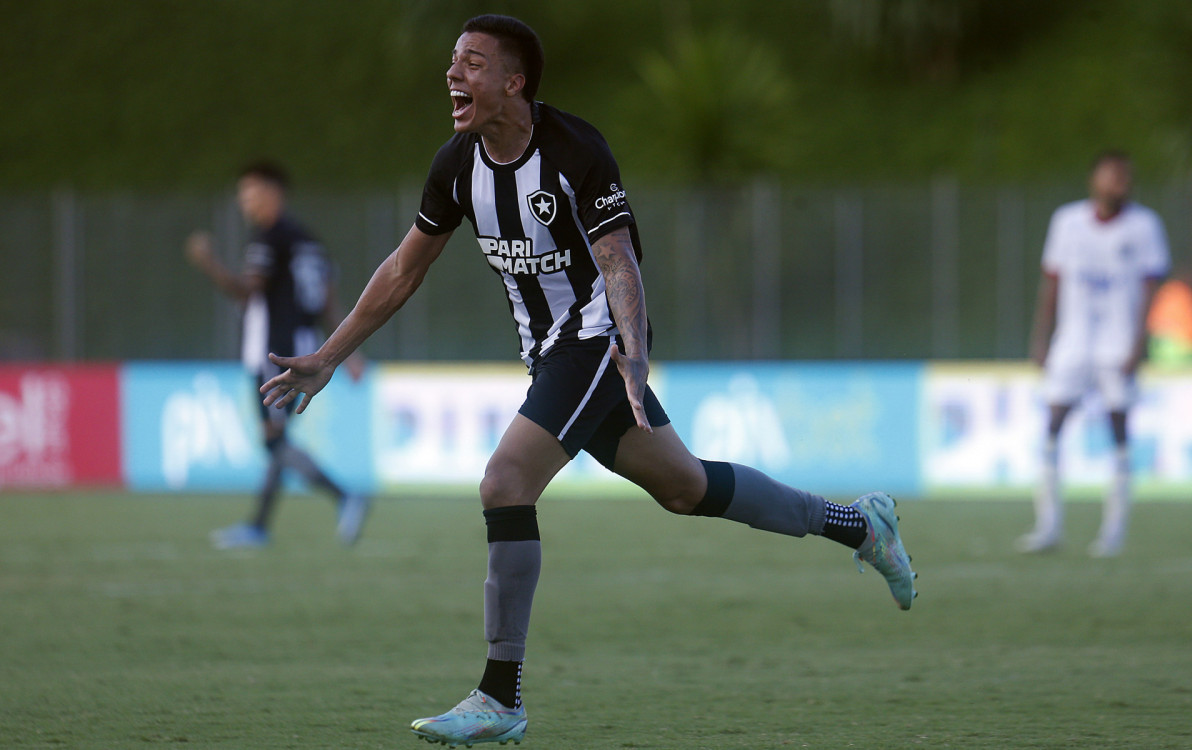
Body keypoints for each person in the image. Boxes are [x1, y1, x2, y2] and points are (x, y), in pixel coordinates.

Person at [260, 15, 915, 746]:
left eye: (471, 63)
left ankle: (498, 696)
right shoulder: (456, 165)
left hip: (600, 343)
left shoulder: (574, 151)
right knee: (686, 487)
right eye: (453, 62)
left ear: (515, 82)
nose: (452, 75)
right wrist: (327, 353)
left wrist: (632, 354)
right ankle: (862, 526)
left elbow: (618, 262)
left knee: (504, 482)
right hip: (553, 353)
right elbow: (402, 270)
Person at [186, 160, 371, 550]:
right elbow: (327, 303)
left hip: (274, 353)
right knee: (278, 439)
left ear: (272, 192)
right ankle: (258, 526)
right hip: (302, 349)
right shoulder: (308, 240)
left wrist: (208, 262)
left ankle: (344, 496)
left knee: (274, 442)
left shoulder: (269, 238)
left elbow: (245, 291)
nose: (243, 201)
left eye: (248, 192)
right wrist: (349, 353)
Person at [1023, 150, 1171, 558]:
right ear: (1095, 182)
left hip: (1117, 344)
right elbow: (1051, 282)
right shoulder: (1067, 221)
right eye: (1113, 177)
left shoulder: (1144, 226)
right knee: (1052, 426)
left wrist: (1139, 345)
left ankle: (1113, 533)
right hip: (1072, 342)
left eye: (1126, 178)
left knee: (1118, 432)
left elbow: (1149, 289)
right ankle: (1047, 526)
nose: (1120, 184)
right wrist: (1041, 337)